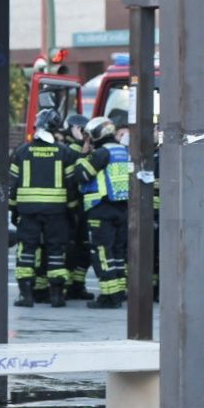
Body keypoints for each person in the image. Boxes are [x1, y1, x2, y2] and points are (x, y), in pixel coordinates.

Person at [9, 110, 78, 308]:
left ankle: (26, 296)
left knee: (27, 252)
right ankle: (56, 296)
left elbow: (11, 187)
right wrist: (72, 211)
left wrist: (13, 210)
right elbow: (71, 186)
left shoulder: (22, 152)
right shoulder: (64, 152)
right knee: (56, 252)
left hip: (28, 213)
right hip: (57, 213)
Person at [72, 118, 131, 309]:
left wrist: (82, 153)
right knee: (117, 253)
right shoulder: (123, 150)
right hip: (122, 209)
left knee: (102, 253)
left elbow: (81, 173)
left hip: (101, 209)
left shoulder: (101, 153)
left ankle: (109, 296)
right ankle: (119, 291)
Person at [60, 113, 93, 301]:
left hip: (70, 209)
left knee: (71, 249)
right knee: (83, 249)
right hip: (83, 208)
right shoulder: (80, 152)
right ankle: (76, 286)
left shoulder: (66, 151)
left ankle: (69, 285)